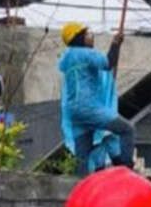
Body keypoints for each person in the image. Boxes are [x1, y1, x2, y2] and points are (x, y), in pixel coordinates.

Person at [58, 23, 135, 176]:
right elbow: (108, 64)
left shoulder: (66, 58)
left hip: (74, 112)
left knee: (82, 158)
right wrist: (115, 44)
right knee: (127, 129)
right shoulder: (86, 54)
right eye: (87, 34)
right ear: (78, 37)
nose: (90, 36)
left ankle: (80, 186)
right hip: (89, 108)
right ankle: (127, 173)